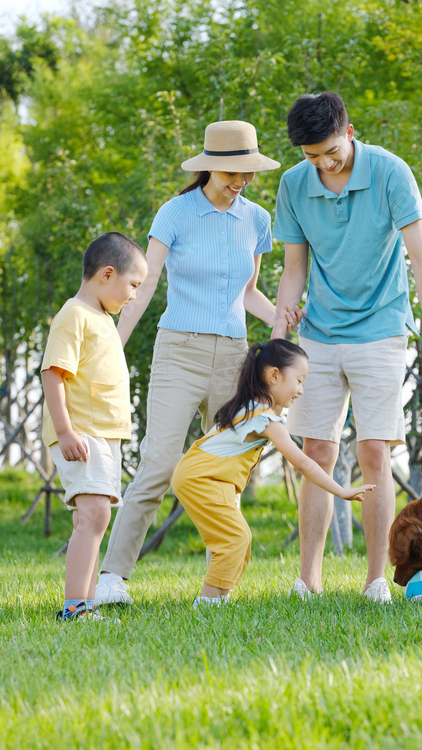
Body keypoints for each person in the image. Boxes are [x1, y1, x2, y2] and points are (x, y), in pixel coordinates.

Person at [95, 120, 298, 606]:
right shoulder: (175, 213)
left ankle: (217, 586)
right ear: (210, 165)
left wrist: (286, 326)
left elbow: (250, 295)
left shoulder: (256, 219)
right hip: (178, 353)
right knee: (159, 463)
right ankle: (113, 578)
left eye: (248, 173)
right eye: (233, 172)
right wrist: (112, 348)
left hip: (233, 356)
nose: (242, 181)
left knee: (223, 470)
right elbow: (141, 288)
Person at [270, 92, 422, 603]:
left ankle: (377, 579)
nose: (323, 163)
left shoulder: (392, 173)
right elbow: (293, 270)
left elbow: (421, 260)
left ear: (348, 133)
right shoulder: (293, 184)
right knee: (318, 453)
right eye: (312, 156)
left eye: (330, 152)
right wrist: (278, 342)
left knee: (374, 450)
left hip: (382, 328)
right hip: (320, 335)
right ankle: (309, 579)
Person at [172, 339, 374, 605]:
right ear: (275, 376)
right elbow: (303, 463)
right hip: (202, 478)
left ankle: (221, 597)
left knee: (240, 540)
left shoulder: (252, 407)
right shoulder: (264, 419)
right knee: (235, 538)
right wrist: (341, 491)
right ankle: (208, 601)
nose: (301, 389)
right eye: (299, 380)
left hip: (205, 476)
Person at [41, 232, 149, 621]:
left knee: (96, 517)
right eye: (133, 285)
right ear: (107, 274)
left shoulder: (101, 317)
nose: (134, 295)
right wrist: (66, 431)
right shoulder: (75, 315)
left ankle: (86, 601)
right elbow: (53, 375)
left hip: (103, 435)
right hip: (82, 432)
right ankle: (75, 606)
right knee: (93, 516)